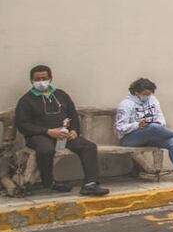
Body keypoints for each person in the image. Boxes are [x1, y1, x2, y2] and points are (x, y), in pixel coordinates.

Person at [14, 65, 109, 196]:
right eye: (37, 79)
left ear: (51, 78)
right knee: (46, 149)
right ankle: (48, 182)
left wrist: (74, 130)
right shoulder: (26, 100)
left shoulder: (61, 95)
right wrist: (48, 131)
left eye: (44, 78)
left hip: (64, 136)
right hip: (40, 136)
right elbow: (22, 125)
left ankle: (90, 184)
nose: (41, 82)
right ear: (31, 80)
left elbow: (73, 115)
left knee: (89, 147)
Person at [115, 78, 173, 183]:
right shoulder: (125, 105)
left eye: (149, 94)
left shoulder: (152, 100)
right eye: (145, 94)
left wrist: (158, 126)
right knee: (153, 127)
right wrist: (137, 125)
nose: (147, 96)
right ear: (136, 92)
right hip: (129, 139)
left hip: (150, 134)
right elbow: (120, 128)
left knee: (172, 141)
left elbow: (160, 118)